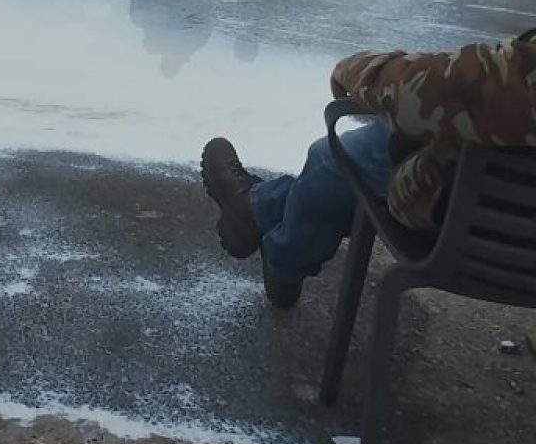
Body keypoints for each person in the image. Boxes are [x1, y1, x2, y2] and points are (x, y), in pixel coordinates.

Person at [202, 30, 536, 309]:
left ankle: (274, 242)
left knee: (341, 155)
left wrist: (363, 70)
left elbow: (445, 91)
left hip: (479, 232)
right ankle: (261, 213)